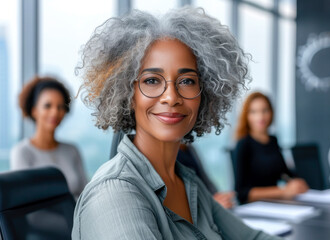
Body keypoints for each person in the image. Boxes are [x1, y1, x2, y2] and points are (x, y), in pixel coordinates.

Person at [72, 7, 280, 240]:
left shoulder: (187, 182)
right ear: (128, 94)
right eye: (151, 80)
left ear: (205, 94)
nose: (171, 96)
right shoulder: (114, 195)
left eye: (187, 81)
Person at [10, 76, 88, 199]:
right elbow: (24, 199)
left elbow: (86, 194)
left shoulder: (72, 150)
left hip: (77, 217)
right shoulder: (22, 152)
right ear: (34, 110)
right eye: (47, 106)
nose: (55, 112)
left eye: (60, 107)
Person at [233, 92, 308, 204]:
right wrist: (283, 191)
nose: (261, 117)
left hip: (275, 204)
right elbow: (242, 194)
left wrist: (296, 182)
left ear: (271, 113)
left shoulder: (273, 140)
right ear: (247, 116)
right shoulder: (243, 144)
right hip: (254, 208)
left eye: (265, 110)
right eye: (254, 112)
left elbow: (285, 172)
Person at [178, 144, 235, 209]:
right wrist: (210, 204)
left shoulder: (190, 148)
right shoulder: (170, 155)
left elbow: (205, 180)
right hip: (197, 208)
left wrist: (218, 197)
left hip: (206, 204)